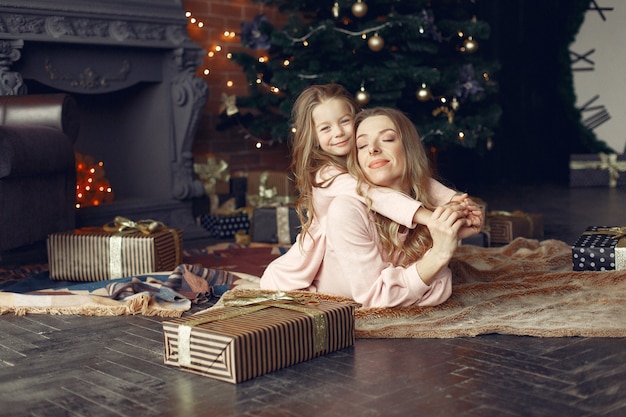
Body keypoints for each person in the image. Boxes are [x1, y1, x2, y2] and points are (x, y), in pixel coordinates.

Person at [260, 84, 479, 294]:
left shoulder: (362, 158)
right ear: (314, 137)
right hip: (298, 277)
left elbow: (419, 180)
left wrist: (455, 202)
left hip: (346, 260)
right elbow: (375, 195)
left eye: (345, 121)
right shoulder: (327, 175)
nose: (339, 132)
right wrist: (431, 219)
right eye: (326, 128)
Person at [308, 107, 483, 307]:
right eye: (362, 145)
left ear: (409, 149)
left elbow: (439, 290)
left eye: (388, 139)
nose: (372, 149)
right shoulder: (346, 209)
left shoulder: (424, 198)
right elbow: (376, 298)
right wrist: (438, 255)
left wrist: (452, 227)